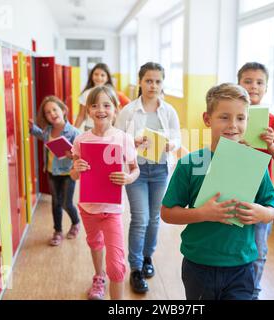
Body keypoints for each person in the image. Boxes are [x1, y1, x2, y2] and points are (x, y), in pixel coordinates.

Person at [161, 83, 274, 300]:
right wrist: (202, 213)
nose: (233, 125)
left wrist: (262, 213)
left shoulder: (253, 164)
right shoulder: (190, 164)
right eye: (224, 117)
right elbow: (167, 213)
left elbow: (271, 208)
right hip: (199, 265)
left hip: (242, 266)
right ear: (207, 119)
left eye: (241, 118)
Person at [115, 62, 181, 294]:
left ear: (163, 83)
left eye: (158, 81)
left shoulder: (169, 110)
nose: (153, 85)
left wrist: (169, 144)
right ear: (140, 82)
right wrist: (131, 143)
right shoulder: (129, 111)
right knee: (140, 218)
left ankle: (147, 258)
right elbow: (117, 139)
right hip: (137, 172)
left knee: (154, 218)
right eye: (149, 81)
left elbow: (178, 139)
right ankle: (134, 268)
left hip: (161, 169)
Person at [70, 85, 140, 300]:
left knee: (117, 265)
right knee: (94, 243)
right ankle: (98, 277)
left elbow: (135, 169)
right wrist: (76, 169)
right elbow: (73, 175)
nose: (101, 109)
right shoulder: (81, 139)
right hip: (88, 208)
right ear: (88, 110)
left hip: (112, 210)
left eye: (106, 105)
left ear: (116, 109)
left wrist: (128, 178)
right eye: (95, 105)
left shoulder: (123, 138)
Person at [238, 62, 274, 300]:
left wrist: (269, 144)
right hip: (235, 188)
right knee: (234, 247)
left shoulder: (273, 121)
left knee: (259, 249)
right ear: (239, 84)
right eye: (248, 81)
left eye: (259, 82)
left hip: (261, 195)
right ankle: (234, 289)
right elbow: (216, 153)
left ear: (266, 88)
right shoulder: (232, 117)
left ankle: (253, 292)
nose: (253, 86)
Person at [29, 96, 81, 246]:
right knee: (55, 202)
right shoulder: (48, 131)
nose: (52, 113)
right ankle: (57, 231)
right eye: (47, 112)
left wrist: (72, 156)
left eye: (54, 109)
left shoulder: (73, 133)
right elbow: (41, 136)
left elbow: (81, 155)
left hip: (67, 173)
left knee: (66, 202)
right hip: (52, 172)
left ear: (63, 110)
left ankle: (76, 222)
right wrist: (32, 129)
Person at [74, 63, 130, 130]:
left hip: (108, 128)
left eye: (102, 75)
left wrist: (118, 129)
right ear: (91, 76)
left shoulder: (111, 93)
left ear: (107, 78)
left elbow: (116, 113)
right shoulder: (86, 93)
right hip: (90, 128)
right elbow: (81, 116)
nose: (99, 77)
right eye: (96, 74)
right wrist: (74, 131)